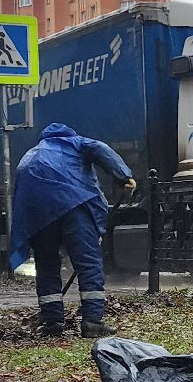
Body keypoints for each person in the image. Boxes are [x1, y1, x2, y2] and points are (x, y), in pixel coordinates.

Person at [7, 123, 133, 338]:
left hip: (38, 215)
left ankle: (52, 323)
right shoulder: (75, 143)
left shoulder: (32, 154)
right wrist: (123, 176)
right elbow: (99, 149)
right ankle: (92, 322)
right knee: (88, 264)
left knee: (46, 265)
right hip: (74, 206)